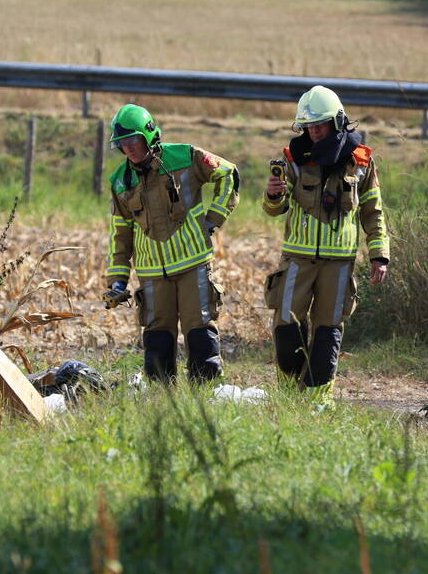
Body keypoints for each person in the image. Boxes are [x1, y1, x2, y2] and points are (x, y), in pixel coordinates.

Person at [263, 85, 390, 408]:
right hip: (297, 260)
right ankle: (290, 394)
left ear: (337, 122)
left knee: (327, 332)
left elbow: (372, 211)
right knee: (286, 325)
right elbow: (274, 209)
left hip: (340, 263)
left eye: (320, 125)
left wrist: (380, 255)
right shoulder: (292, 158)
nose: (315, 132)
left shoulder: (361, 161)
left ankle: (319, 402)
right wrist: (274, 194)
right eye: (309, 126)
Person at [102, 103, 240, 384]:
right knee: (157, 339)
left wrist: (213, 219)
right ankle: (161, 401)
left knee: (200, 333)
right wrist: (117, 279)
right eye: (122, 144)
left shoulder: (186, 157)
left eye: (132, 140)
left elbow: (228, 174)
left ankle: (206, 396)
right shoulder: (120, 182)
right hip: (152, 275)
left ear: (149, 135)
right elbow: (120, 233)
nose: (128, 149)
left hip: (194, 267)